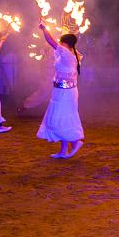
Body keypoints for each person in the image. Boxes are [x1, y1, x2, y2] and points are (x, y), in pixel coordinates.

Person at [36, 19, 84, 159]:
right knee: (61, 118)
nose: (60, 44)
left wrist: (44, 28)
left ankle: (75, 142)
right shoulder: (71, 53)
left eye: (61, 42)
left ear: (65, 44)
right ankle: (63, 151)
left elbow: (51, 41)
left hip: (65, 93)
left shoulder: (68, 54)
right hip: (62, 91)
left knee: (61, 118)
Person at [17, 46, 53, 115]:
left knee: (49, 96)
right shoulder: (47, 59)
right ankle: (23, 107)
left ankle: (49, 112)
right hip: (47, 81)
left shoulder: (49, 58)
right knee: (40, 95)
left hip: (51, 80)